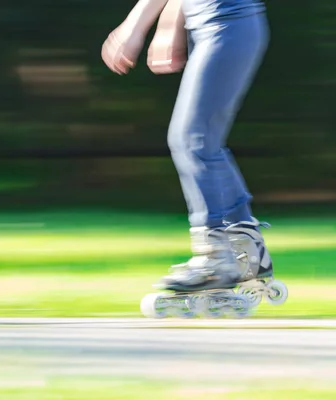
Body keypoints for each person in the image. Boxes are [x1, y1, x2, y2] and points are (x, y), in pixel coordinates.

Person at [101, 0, 273, 294]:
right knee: (203, 142)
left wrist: (135, 26)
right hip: (213, 24)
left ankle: (214, 258)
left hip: (228, 22)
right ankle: (247, 250)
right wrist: (170, 26)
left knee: (193, 140)